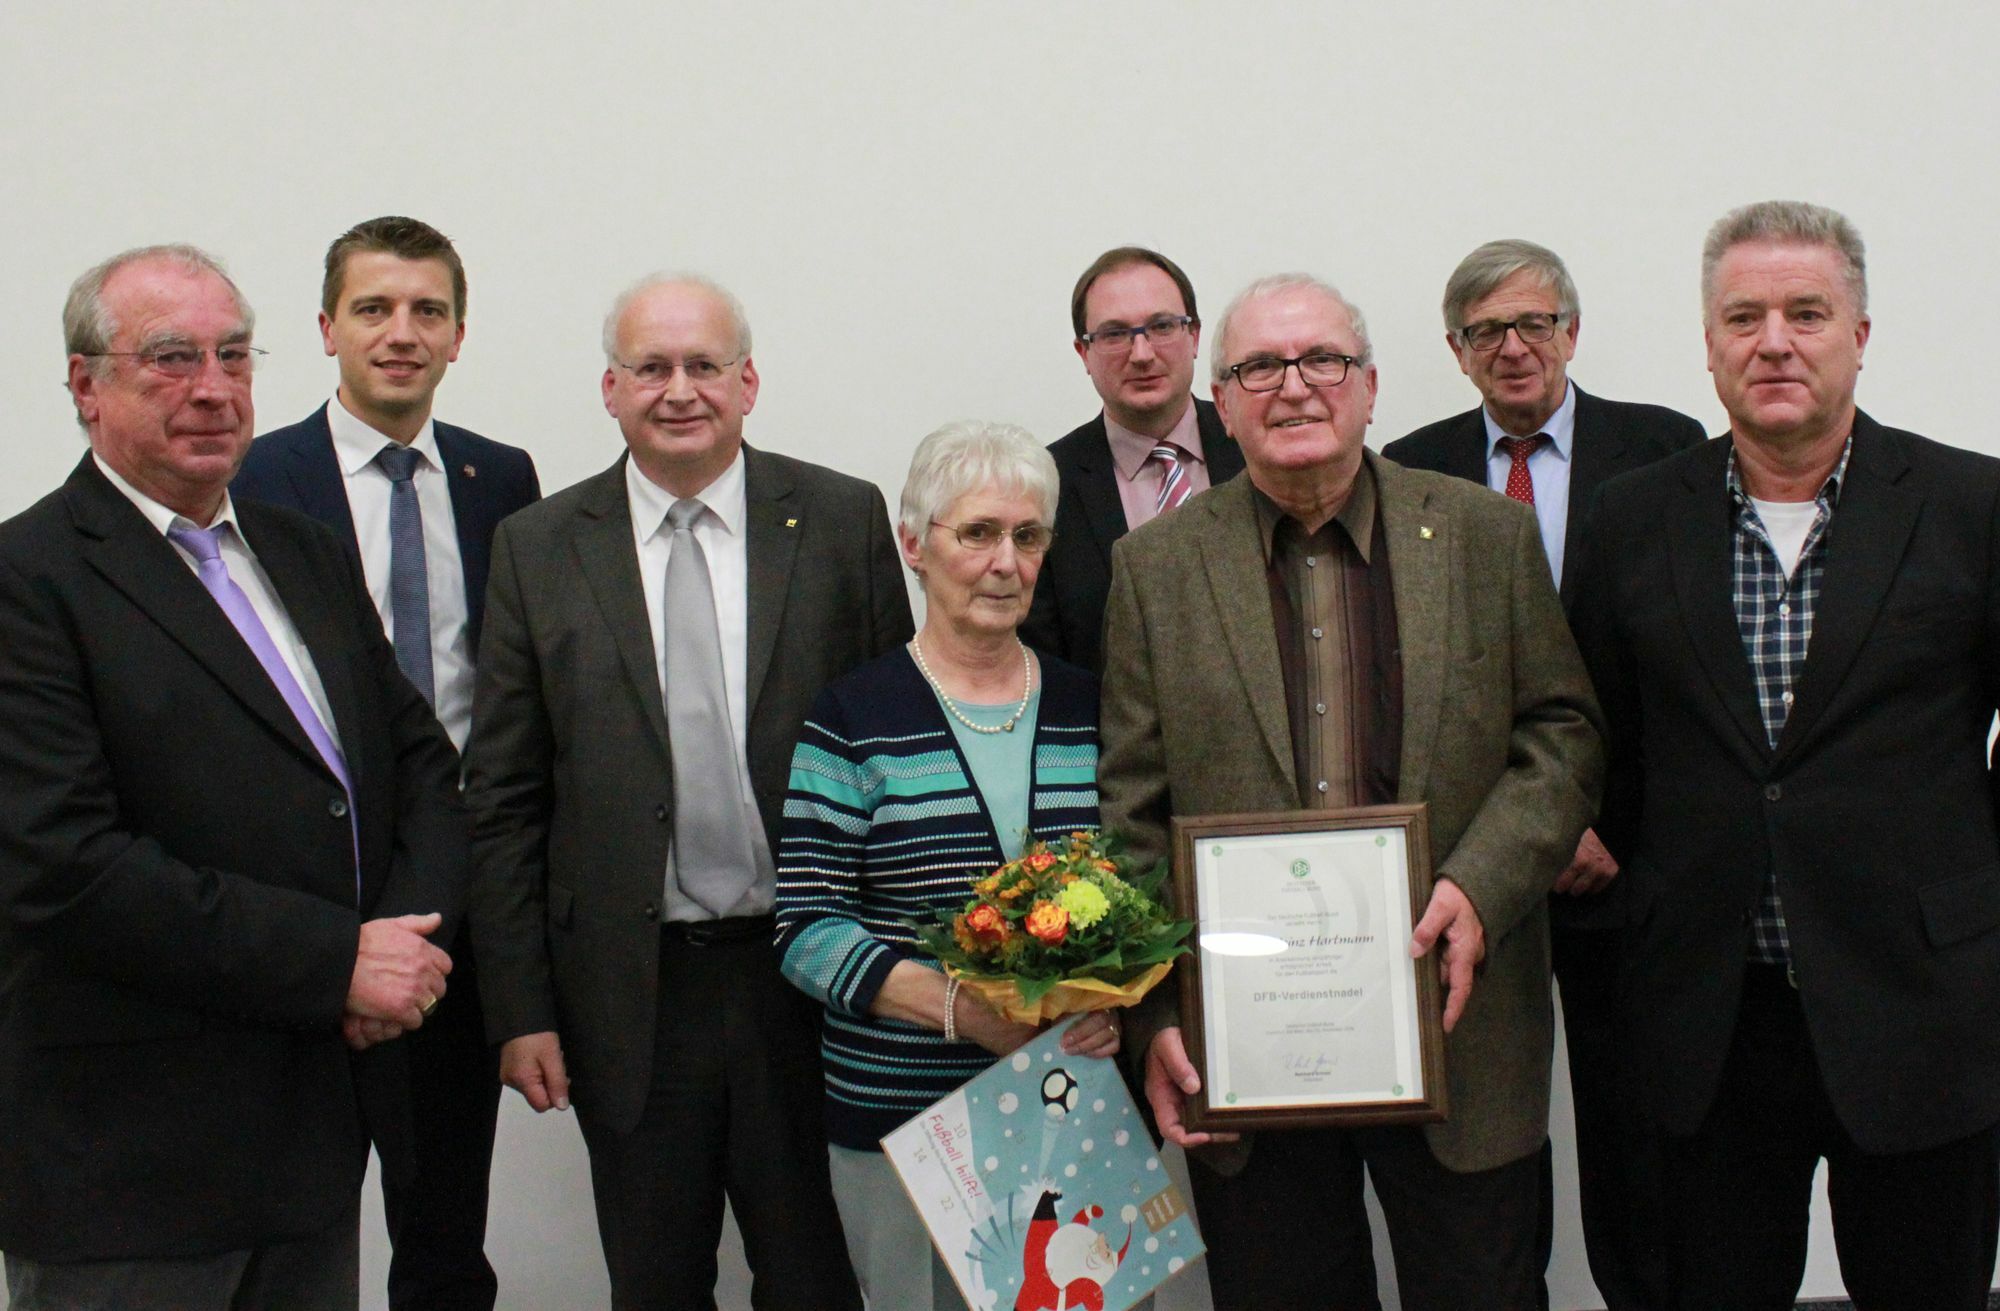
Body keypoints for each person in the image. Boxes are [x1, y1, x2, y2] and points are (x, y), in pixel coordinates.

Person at [1101, 273, 1604, 1310]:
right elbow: (1131, 813)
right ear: (1221, 402)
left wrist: (1480, 884)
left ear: (1370, 385)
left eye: (1322, 360)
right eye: (1258, 368)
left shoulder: (1483, 536)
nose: (1293, 386)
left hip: (1458, 1028)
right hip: (1246, 1052)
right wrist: (1154, 1016)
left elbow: (1561, 735)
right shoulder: (1155, 569)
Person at [0, 244, 468, 1309]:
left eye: (233, 355)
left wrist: (403, 953)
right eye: (171, 358)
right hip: (128, 1168)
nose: (213, 388)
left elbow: (421, 769)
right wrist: (335, 963)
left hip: (312, 1144)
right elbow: (64, 867)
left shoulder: (304, 553)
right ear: (85, 384)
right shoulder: (28, 580)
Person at [1570, 200, 2000, 1310]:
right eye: (1742, 317)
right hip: (1709, 1016)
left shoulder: (1972, 505)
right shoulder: (1630, 520)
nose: (1773, 342)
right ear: (1708, 344)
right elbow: (1600, 732)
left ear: (1859, 334)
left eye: (1805, 313)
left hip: (1918, 1004)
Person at [465, 274, 908, 1309]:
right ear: (610, 389)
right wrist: (520, 1009)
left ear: (747, 382)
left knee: (819, 1281)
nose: (679, 390)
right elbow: (505, 797)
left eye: (704, 365)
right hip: (631, 991)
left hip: (808, 976)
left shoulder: (840, 519)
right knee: (656, 1282)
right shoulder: (538, 546)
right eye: (651, 367)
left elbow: (894, 751)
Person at [1382, 238, 1704, 1310]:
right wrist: (1516, 839)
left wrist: (1598, 820)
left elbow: (1682, 669)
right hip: (1479, 866)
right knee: (1492, 1135)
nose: (1512, 347)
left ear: (1571, 331)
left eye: (1533, 323)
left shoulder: (1664, 449)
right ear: (1455, 350)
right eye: (1486, 331)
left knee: (1634, 1128)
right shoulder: (1412, 468)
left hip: (1624, 860)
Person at [233, 214, 540, 1311]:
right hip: (304, 902)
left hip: (454, 902)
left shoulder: (501, 479)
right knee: (288, 1229)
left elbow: (515, 693)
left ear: (458, 334)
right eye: (373, 308)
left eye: (426, 311)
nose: (400, 333)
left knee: (444, 1231)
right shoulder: (255, 478)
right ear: (327, 328)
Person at [776, 420, 1119, 1309]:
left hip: (1071, 1108)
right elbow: (806, 929)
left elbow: (1134, 899)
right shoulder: (853, 716)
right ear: (914, 546)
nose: (1005, 562)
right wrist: (971, 1014)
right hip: (906, 1124)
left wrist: (1115, 1002)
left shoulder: (1091, 708)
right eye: (978, 532)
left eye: (1027, 536)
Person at [1021, 246, 1245, 674]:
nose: (1141, 353)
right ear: (1083, 353)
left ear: (1195, 337)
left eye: (1162, 326)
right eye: (1114, 335)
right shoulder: (1044, 485)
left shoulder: (1256, 451)